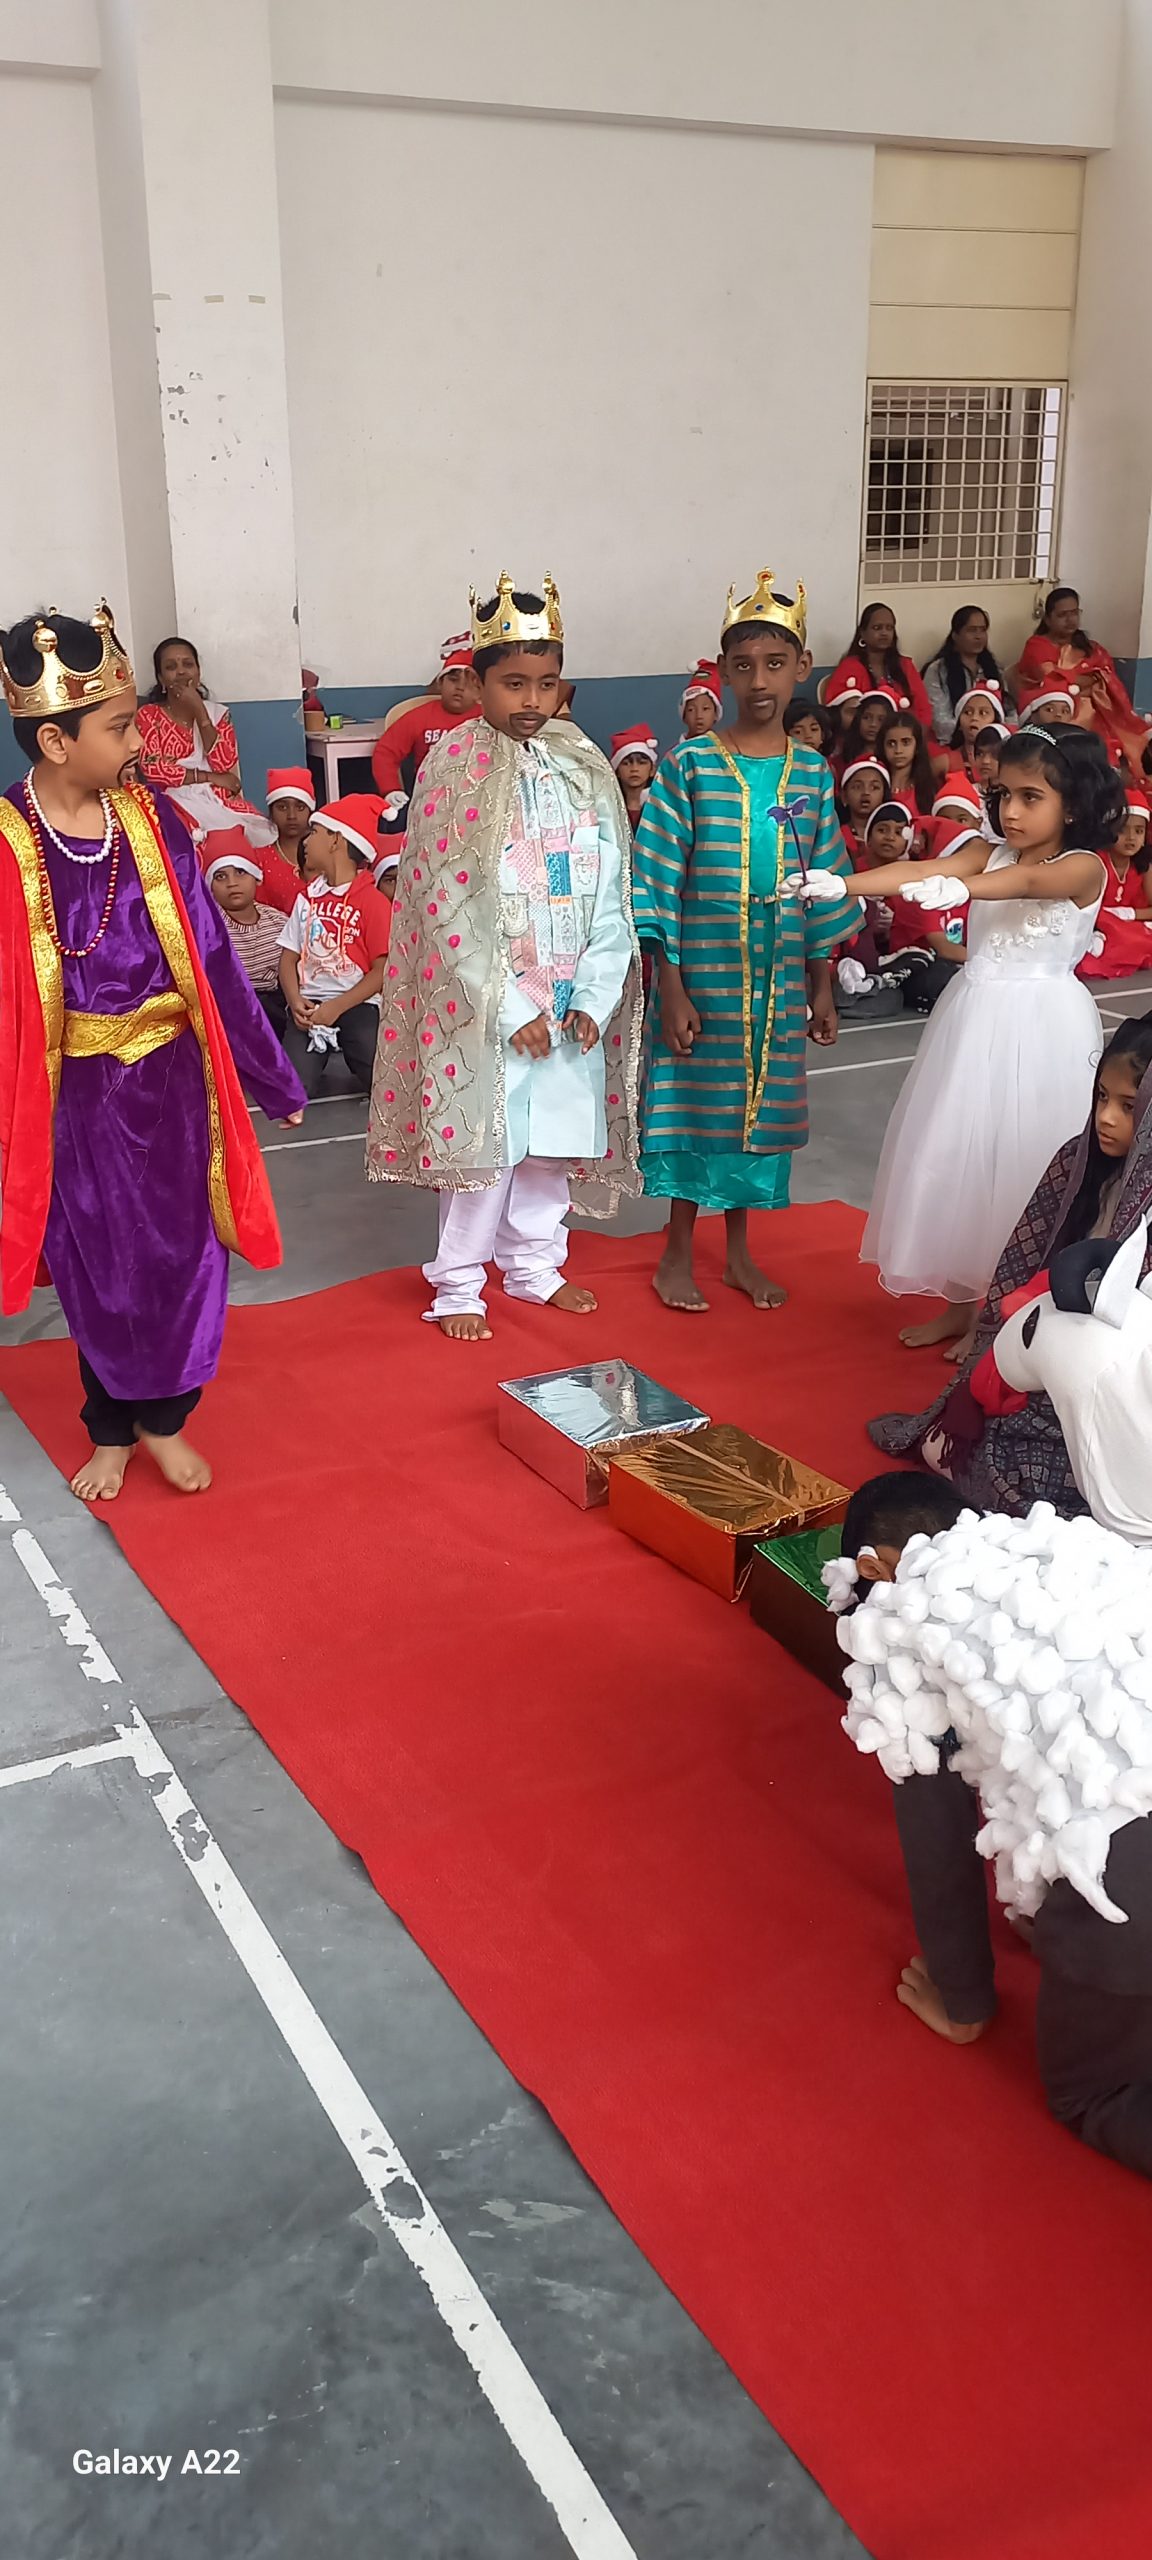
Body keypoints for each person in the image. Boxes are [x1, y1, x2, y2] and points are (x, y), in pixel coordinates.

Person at [0, 604, 304, 1501]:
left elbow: (212, 957)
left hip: (174, 1085)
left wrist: (270, 1074)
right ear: (55, 741)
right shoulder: (8, 843)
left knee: (182, 1253)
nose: (140, 742)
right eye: (119, 727)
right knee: (98, 1261)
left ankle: (164, 1422)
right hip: (75, 1097)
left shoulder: (153, 821)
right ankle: (110, 1427)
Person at [834, 1471, 1152, 2179]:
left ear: (874, 1569)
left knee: (1094, 2093)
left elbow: (939, 1839)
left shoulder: (899, 1620)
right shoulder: (1074, 1548)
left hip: (1134, 1895)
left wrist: (964, 1997)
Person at [366, 576, 642, 1339]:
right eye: (513, 682)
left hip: (571, 999)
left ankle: (534, 1268)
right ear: (476, 682)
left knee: (551, 1147)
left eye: (546, 683)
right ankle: (458, 1283)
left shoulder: (582, 764)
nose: (531, 699)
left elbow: (611, 889)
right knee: (484, 1149)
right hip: (486, 1007)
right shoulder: (454, 767)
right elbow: (443, 903)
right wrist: (510, 1007)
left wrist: (594, 997)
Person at [844, 723, 1116, 1358]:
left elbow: (1028, 885)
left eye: (1031, 797)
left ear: (1072, 804)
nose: (1011, 811)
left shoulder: (1083, 866)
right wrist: (841, 884)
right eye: (1003, 795)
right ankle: (962, 1305)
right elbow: (921, 867)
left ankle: (1002, 1317)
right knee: (962, 1156)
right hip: (972, 1019)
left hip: (1042, 1025)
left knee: (1022, 1161)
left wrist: (962, 888)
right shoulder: (986, 854)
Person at [632, 568, 858, 1314]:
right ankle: (675, 1253)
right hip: (703, 972)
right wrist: (670, 985)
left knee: (756, 1110)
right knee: (695, 1107)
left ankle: (737, 1256)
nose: (759, 681)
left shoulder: (812, 772)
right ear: (722, 672)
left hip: (779, 976)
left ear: (802, 668)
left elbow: (826, 878)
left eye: (775, 664)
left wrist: (822, 983)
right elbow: (656, 878)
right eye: (743, 665)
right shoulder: (690, 766)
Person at [869, 1017, 1152, 1510]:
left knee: (1042, 1476)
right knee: (951, 1441)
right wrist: (993, 1345)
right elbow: (1019, 1264)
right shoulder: (1077, 1160)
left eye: (1128, 1107)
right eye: (1101, 1097)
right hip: (1042, 1342)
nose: (1106, 1118)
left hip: (1117, 1376)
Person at [278, 795, 392, 1099]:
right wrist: (295, 1000)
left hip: (358, 1004)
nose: (306, 840)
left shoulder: (373, 901)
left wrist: (337, 1007)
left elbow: (381, 970)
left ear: (335, 840)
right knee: (292, 1088)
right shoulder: (306, 899)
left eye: (314, 832)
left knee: (380, 1079)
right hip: (311, 1004)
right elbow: (287, 960)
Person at [135, 635, 274, 849]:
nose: (181, 672)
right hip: (169, 804)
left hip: (218, 801)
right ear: (161, 679)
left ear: (198, 674)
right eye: (171, 667)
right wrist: (210, 778)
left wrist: (200, 712)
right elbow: (154, 770)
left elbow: (224, 764)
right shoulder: (148, 716)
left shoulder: (218, 714)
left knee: (248, 839)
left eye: (188, 664)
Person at [1014, 587, 1152, 777]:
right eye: (1062, 615)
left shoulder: (1091, 648)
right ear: (1048, 619)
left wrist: (1077, 682)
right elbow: (1051, 682)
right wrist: (1086, 682)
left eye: (1074, 613)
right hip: (1054, 712)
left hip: (1098, 712)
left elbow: (1104, 675)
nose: (1070, 620)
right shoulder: (1037, 646)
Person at [370, 633, 479, 821]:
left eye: (469, 683)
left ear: (481, 690)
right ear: (440, 683)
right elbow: (386, 752)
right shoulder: (420, 716)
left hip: (476, 799)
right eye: (453, 680)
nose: (460, 688)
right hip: (429, 800)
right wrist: (391, 789)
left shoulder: (487, 718)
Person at [205, 836, 290, 1034]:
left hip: (274, 1009)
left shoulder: (279, 922)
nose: (232, 883)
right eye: (221, 877)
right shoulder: (209, 927)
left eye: (240, 872)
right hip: (227, 1010)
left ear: (256, 878)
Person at [825, 602, 935, 737]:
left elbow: (924, 710)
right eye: (877, 628)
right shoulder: (849, 666)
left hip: (907, 739)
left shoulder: (905, 665)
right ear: (862, 633)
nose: (884, 633)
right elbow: (842, 715)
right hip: (860, 740)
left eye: (889, 628)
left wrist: (914, 739)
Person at [1078, 787, 1152, 979]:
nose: (1131, 838)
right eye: (1122, 830)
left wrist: (1129, 914)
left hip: (1130, 925)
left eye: (1139, 831)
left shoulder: (1144, 866)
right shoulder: (1095, 862)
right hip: (1097, 923)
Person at [921, 605, 1012, 745]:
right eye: (972, 630)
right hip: (952, 745)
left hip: (994, 744)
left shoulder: (996, 669)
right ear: (955, 635)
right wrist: (971, 733)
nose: (978, 636)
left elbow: (1010, 713)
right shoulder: (937, 670)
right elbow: (939, 721)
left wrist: (996, 734)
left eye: (983, 630)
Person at [265, 766, 316, 909]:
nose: (291, 816)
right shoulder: (259, 861)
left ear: (311, 810)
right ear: (271, 812)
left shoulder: (327, 856)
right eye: (282, 807)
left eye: (300, 807)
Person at [878, 708, 938, 815]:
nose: (898, 750)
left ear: (917, 746)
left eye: (905, 742)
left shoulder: (927, 788)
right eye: (891, 743)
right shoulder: (876, 786)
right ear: (883, 747)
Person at [946, 683, 1009, 777]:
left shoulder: (1008, 762)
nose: (974, 718)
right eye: (968, 712)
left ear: (996, 721)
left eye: (983, 713)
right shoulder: (945, 762)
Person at [609, 724, 659, 837]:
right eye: (626, 763)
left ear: (652, 770)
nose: (634, 769)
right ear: (617, 771)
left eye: (641, 763)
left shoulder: (659, 808)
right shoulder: (609, 808)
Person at [680, 660, 722, 739]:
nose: (699, 716)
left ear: (716, 714)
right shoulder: (679, 747)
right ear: (684, 716)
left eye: (705, 709)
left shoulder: (723, 745)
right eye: (691, 710)